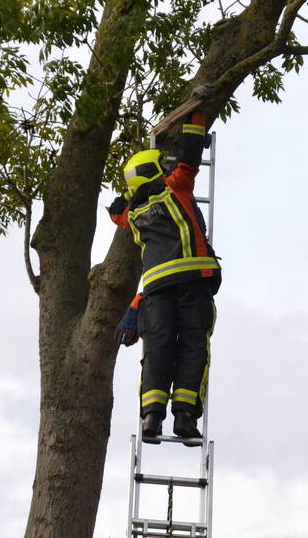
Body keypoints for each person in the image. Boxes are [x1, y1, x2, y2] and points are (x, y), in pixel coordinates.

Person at [108, 112, 220, 446]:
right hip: (193, 280)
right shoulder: (177, 189)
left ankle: (151, 418)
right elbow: (190, 153)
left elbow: (116, 208)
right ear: (157, 174)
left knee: (157, 349)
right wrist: (198, 113)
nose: (169, 169)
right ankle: (185, 417)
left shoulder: (132, 216)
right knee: (192, 346)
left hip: (155, 292)